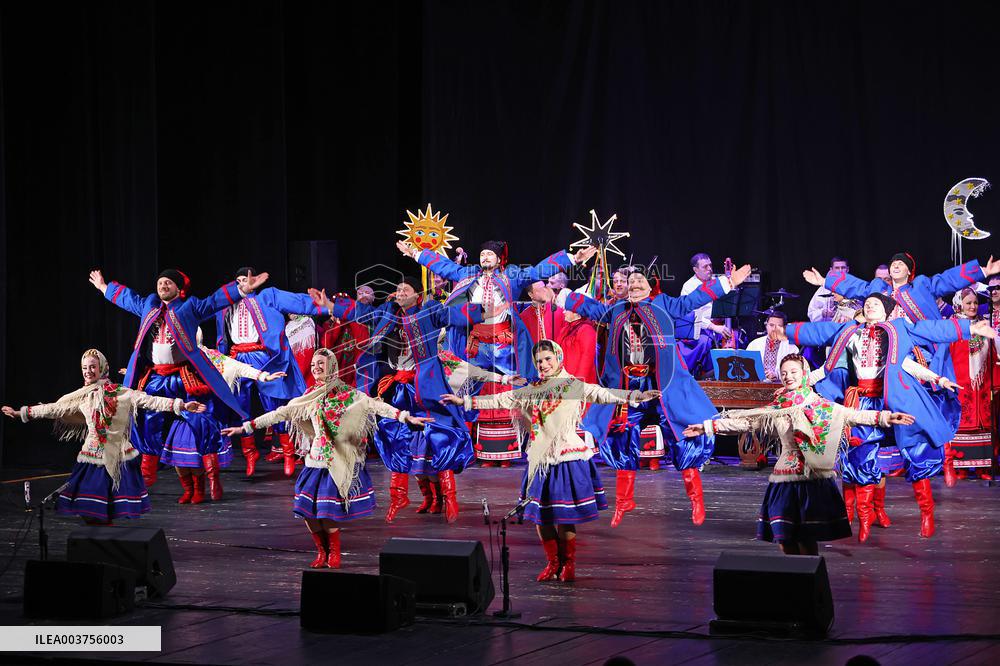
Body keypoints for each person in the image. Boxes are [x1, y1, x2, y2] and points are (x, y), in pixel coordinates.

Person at [441, 340, 660, 581]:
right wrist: (465, 402)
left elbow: (603, 393)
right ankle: (553, 562)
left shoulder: (572, 386)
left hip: (566, 458)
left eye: (548, 359)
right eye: (539, 361)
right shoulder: (533, 389)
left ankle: (568, 564)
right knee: (541, 516)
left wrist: (636, 395)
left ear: (558, 358)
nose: (543, 364)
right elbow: (502, 399)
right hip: (540, 459)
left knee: (565, 517)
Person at [787, 293, 997, 538]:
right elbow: (827, 364)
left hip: (894, 398)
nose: (870, 306)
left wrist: (939, 378)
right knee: (860, 456)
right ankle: (865, 520)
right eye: (867, 304)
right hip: (863, 402)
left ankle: (927, 513)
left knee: (917, 452)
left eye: (875, 304)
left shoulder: (896, 331)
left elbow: (909, 362)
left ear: (886, 311)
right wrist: (802, 380)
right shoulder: (851, 334)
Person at [558, 262, 752, 526]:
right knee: (622, 436)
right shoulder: (617, 310)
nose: (634, 286)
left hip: (663, 386)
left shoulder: (662, 304)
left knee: (683, 436)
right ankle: (624, 501)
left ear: (650, 286)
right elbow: (591, 308)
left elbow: (693, 300)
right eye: (631, 282)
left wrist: (728, 283)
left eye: (640, 281)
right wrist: (560, 296)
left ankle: (696, 499)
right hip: (631, 388)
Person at [683, 354, 915, 554]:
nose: (788, 376)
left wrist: (886, 417)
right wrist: (706, 427)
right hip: (784, 478)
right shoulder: (777, 407)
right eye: (784, 373)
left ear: (804, 374)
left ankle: (810, 582)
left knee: (807, 540)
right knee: (784, 539)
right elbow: (746, 423)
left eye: (793, 372)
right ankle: (797, 580)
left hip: (812, 479)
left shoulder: (820, 405)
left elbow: (852, 415)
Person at [223, 349, 432, 568]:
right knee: (307, 512)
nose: (316, 368)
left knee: (326, 512)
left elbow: (375, 406)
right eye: (313, 364)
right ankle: (321, 551)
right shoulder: (308, 397)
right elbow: (280, 413)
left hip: (336, 460)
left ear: (331, 365)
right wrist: (246, 428)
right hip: (315, 461)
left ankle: (334, 552)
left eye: (321, 363)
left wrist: (405, 417)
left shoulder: (349, 395)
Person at [397, 238, 595, 466]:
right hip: (474, 345)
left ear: (500, 259)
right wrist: (416, 254)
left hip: (504, 345)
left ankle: (548, 441)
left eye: (489, 254)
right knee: (455, 391)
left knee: (529, 389)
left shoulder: (511, 275)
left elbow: (538, 270)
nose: (485, 257)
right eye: (482, 254)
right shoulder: (468, 274)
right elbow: (444, 266)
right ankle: (454, 447)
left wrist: (572, 259)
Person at [309, 278, 487, 523]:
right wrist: (330, 305)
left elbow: (453, 315)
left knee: (438, 437)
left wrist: (485, 311)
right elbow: (362, 313)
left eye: (406, 289)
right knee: (398, 438)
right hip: (399, 388)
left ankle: (449, 498)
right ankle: (416, 497)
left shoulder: (429, 311)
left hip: (426, 387)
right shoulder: (388, 314)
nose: (400, 292)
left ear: (417, 295)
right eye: (398, 289)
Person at [89, 268, 266, 494]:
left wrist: (241, 290)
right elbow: (128, 298)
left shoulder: (188, 307)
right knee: (146, 420)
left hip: (184, 377)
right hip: (156, 377)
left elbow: (213, 302)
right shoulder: (149, 306)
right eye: (160, 283)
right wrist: (103, 287)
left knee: (201, 421)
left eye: (168, 283)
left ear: (178, 289)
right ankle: (147, 473)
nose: (163, 286)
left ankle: (212, 478)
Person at [2, 349, 205, 524]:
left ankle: (104, 535)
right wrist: (21, 413)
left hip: (118, 454)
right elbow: (52, 409)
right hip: (93, 455)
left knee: (107, 506)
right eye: (84, 367)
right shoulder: (81, 396)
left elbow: (150, 401)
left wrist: (181, 405)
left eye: (92, 367)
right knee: (90, 506)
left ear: (102, 368)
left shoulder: (122, 392)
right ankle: (98, 533)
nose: (88, 371)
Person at [215, 267, 329, 478]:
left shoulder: (267, 297)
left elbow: (297, 301)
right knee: (240, 405)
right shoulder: (226, 303)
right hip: (236, 357)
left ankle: (287, 451)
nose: (243, 283)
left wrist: (325, 305)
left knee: (273, 403)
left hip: (262, 355)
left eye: (247, 279)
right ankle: (250, 453)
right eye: (239, 281)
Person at [945, 288, 995, 483]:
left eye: (975, 303)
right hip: (959, 383)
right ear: (959, 304)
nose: (973, 306)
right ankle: (961, 467)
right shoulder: (952, 326)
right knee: (961, 423)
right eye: (968, 303)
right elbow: (945, 355)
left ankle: (983, 466)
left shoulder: (984, 325)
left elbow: (993, 355)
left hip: (982, 385)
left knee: (983, 424)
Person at [746, 312, 799, 382]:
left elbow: (795, 372)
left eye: (779, 326)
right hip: (757, 384)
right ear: (766, 325)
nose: (774, 329)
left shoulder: (792, 348)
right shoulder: (754, 344)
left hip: (781, 385)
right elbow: (746, 367)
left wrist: (777, 375)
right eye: (771, 325)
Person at [807, 257, 850, 323]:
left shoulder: (854, 288)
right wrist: (822, 313)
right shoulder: (823, 289)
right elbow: (811, 313)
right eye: (837, 268)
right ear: (831, 270)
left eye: (843, 267)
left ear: (847, 269)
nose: (840, 271)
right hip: (828, 327)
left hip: (849, 327)